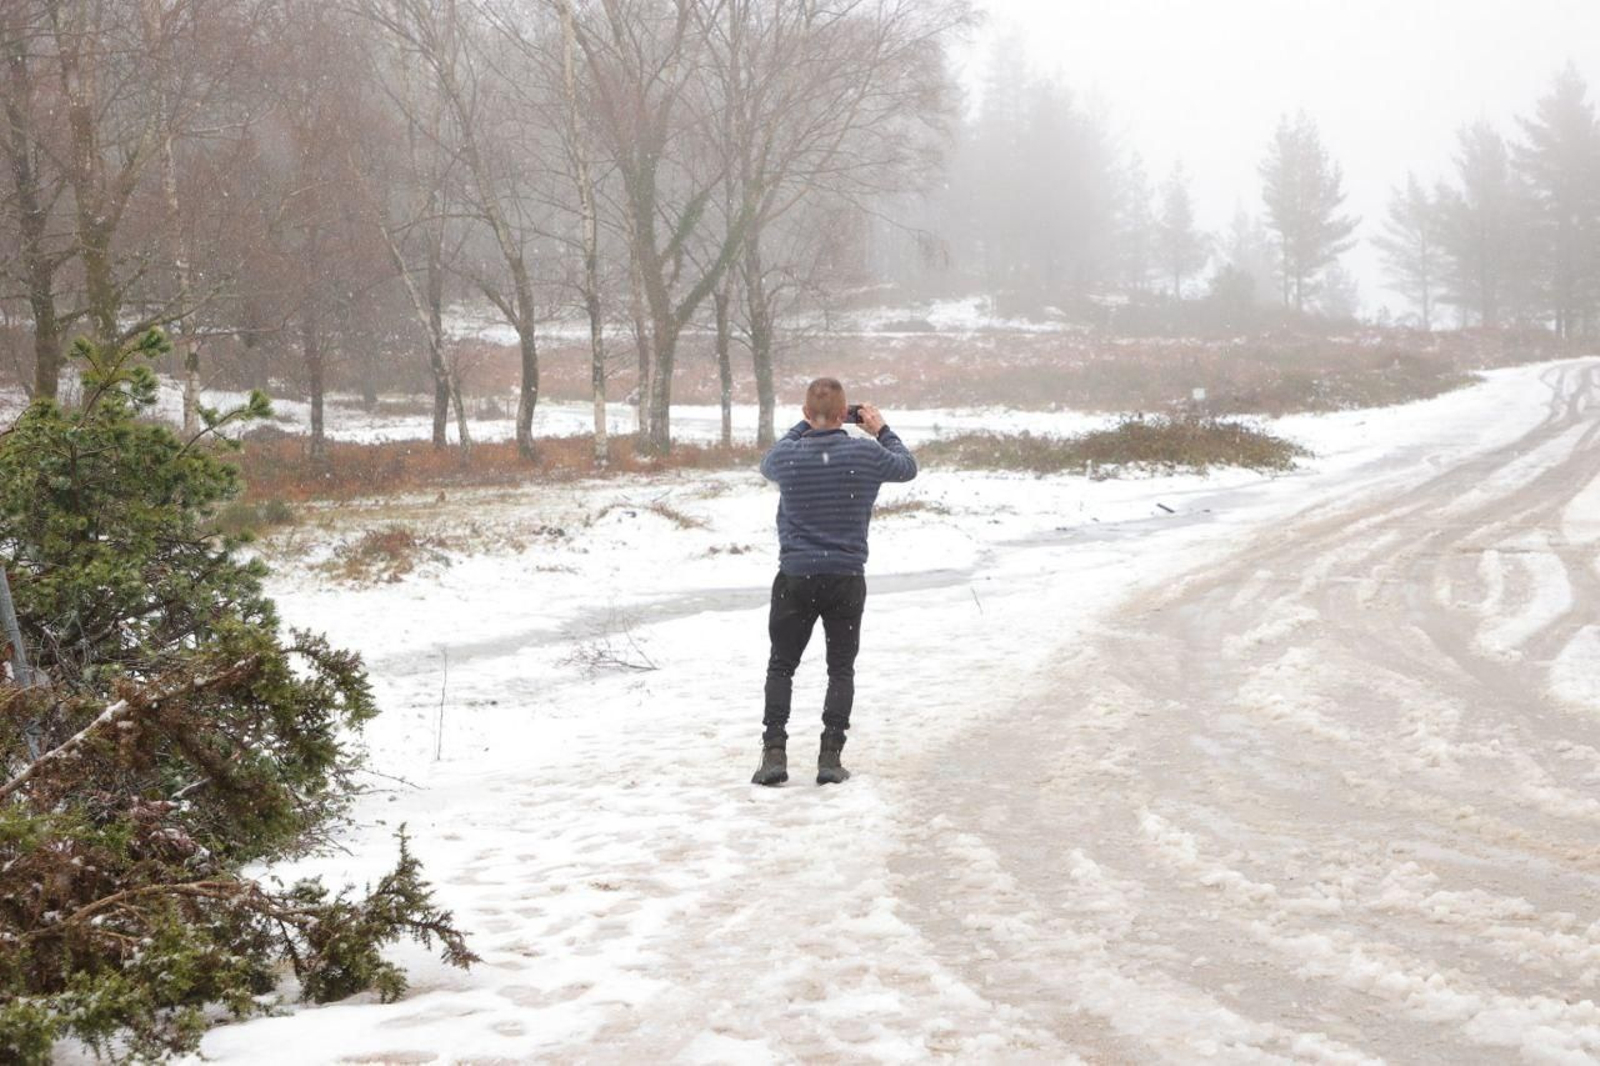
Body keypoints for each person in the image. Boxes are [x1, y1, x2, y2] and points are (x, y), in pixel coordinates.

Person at [751, 377, 918, 786]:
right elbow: (907, 466)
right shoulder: (866, 453)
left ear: (806, 414)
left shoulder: (788, 456)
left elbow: (768, 461)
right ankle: (830, 755)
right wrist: (880, 429)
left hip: (796, 576)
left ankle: (774, 753)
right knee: (840, 668)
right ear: (846, 414)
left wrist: (809, 423)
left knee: (782, 665)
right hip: (845, 577)